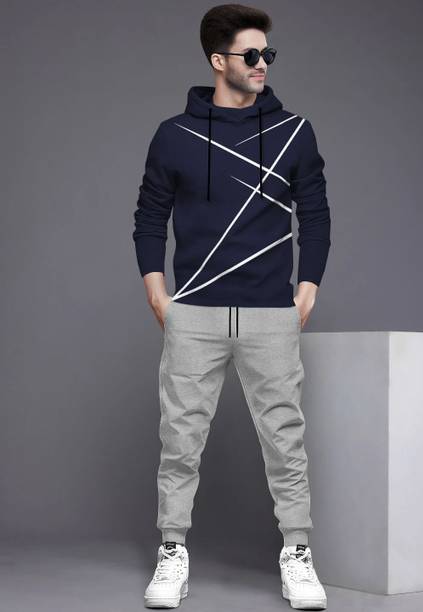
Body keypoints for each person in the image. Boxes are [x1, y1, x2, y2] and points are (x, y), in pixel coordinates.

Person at [132, 4, 330, 609]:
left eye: (268, 53)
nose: (263, 63)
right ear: (218, 61)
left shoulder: (295, 132)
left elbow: (315, 212)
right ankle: (172, 550)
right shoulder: (175, 135)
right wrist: (157, 292)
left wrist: (308, 286)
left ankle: (297, 553)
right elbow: (149, 215)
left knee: (285, 439)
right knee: (180, 438)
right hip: (194, 313)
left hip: (270, 312)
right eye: (251, 54)